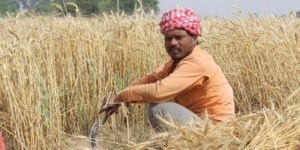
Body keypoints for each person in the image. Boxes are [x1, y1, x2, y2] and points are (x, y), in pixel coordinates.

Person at [99, 8, 235, 131]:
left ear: (194, 38)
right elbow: (149, 79)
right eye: (168, 38)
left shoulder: (197, 62)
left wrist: (121, 97)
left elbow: (159, 91)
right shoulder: (176, 63)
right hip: (202, 125)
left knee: (159, 108)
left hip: (216, 132)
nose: (173, 43)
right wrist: (118, 95)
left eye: (179, 37)